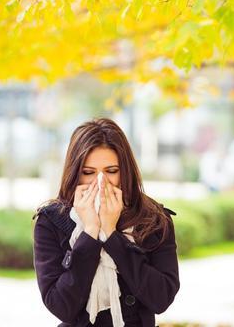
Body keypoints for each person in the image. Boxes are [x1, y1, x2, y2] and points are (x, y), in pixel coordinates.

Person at [32, 117, 180, 327]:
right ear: (75, 173)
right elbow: (61, 306)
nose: (101, 182)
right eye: (88, 172)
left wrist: (112, 235)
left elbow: (161, 298)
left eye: (111, 171)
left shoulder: (153, 219)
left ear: (125, 172)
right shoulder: (52, 221)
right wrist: (90, 232)